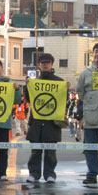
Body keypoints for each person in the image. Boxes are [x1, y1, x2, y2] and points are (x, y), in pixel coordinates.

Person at [76, 43, 98, 185]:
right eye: (95, 52)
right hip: (91, 115)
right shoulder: (86, 73)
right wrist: (90, 101)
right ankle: (92, 174)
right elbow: (79, 92)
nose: (97, 54)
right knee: (90, 147)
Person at [24, 53, 64, 183]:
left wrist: (66, 89)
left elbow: (63, 101)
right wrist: (27, 87)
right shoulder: (34, 82)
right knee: (35, 150)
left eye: (48, 62)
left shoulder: (60, 82)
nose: (45, 64)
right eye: (43, 63)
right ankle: (34, 173)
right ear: (39, 65)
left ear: (52, 64)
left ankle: (50, 174)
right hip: (36, 121)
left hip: (52, 122)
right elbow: (29, 100)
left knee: (50, 151)